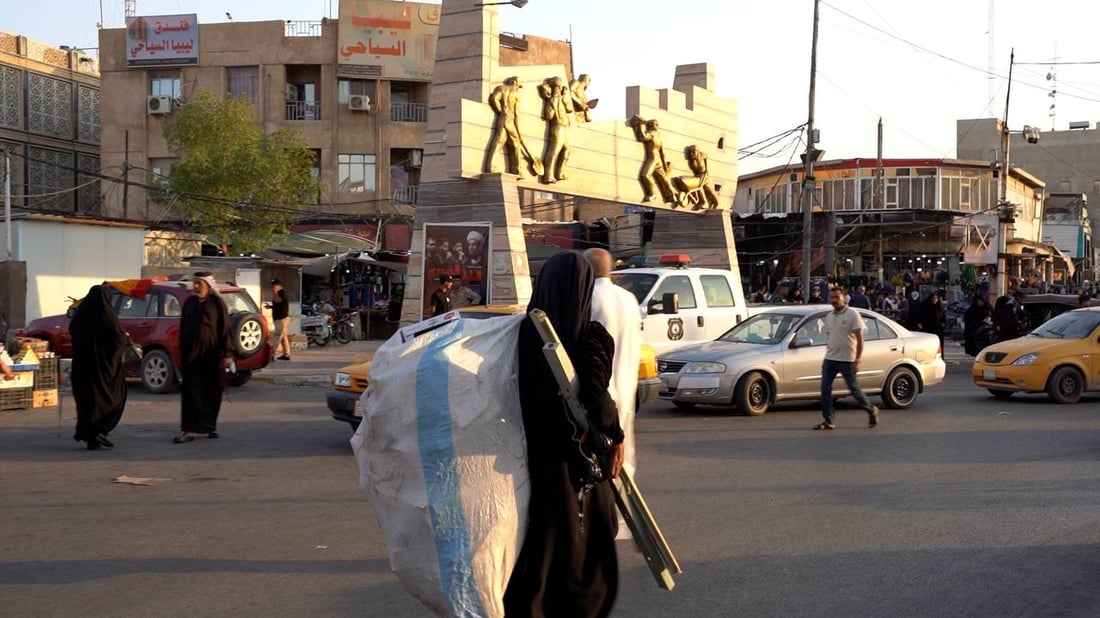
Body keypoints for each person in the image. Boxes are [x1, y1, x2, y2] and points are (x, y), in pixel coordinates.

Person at [504, 251, 624, 617]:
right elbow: (598, 398)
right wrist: (616, 437)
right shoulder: (590, 337)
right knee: (582, 547)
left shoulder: (518, 334)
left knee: (538, 542)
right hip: (576, 460)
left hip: (529, 456)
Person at [585, 248, 642, 479]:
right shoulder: (628, 299)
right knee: (623, 454)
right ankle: (621, 511)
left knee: (599, 458)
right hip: (626, 385)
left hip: (599, 392)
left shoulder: (587, 298)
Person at [69, 284, 129, 450]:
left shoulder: (79, 317)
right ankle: (100, 430)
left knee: (86, 402)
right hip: (103, 371)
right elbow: (118, 338)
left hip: (82, 370)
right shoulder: (108, 317)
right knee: (113, 397)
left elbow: (73, 333)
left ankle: (91, 436)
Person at [175, 273, 232, 443]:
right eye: (195, 283)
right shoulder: (190, 303)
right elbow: (183, 326)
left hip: (211, 355)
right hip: (191, 356)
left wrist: (227, 353)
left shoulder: (217, 304)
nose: (196, 286)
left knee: (211, 391)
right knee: (191, 391)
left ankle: (209, 426)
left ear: (208, 285)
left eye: (200, 283)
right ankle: (190, 429)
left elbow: (225, 329)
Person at [814, 287, 879, 431]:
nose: (834, 300)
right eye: (831, 297)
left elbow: (860, 339)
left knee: (854, 390)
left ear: (844, 297)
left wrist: (858, 360)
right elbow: (830, 336)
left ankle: (871, 409)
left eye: (837, 297)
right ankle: (828, 420)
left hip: (847, 360)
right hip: (830, 359)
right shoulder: (830, 316)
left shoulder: (852, 314)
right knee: (825, 390)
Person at [270, 278, 291, 361]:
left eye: (273, 285)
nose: (271, 287)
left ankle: (271, 354)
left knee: (277, 336)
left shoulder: (282, 293)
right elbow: (279, 305)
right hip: (279, 318)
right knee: (283, 337)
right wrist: (271, 307)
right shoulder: (279, 293)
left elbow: (279, 301)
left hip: (281, 319)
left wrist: (274, 292)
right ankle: (287, 354)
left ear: (277, 285)